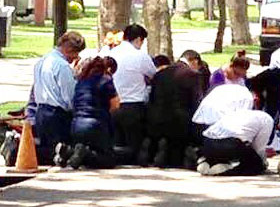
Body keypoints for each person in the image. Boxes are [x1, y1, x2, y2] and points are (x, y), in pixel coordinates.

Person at [54, 57, 120, 169]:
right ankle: (85, 153)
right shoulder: (105, 79)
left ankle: (70, 151)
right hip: (96, 124)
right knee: (108, 160)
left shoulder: (81, 81)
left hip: (76, 125)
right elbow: (115, 104)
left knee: (87, 153)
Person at [143, 50, 204, 168]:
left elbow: (152, 96)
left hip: (157, 118)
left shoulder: (161, 73)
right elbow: (196, 101)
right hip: (180, 120)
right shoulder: (192, 75)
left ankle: (161, 155)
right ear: (195, 61)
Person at [33, 31, 86, 165]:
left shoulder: (42, 61)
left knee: (47, 150)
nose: (76, 57)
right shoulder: (62, 66)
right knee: (60, 150)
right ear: (69, 49)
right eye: (76, 53)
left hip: (41, 110)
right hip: (57, 114)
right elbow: (69, 95)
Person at [110, 24, 157, 164]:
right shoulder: (140, 56)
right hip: (133, 106)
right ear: (138, 39)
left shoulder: (111, 53)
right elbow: (154, 75)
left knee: (117, 141)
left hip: (113, 104)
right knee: (134, 145)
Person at [197, 108, 274, 176]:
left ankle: (210, 162)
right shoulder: (268, 120)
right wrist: (262, 162)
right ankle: (227, 172)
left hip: (207, 143)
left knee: (232, 148)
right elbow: (258, 148)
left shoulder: (243, 114)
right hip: (229, 144)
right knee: (255, 165)